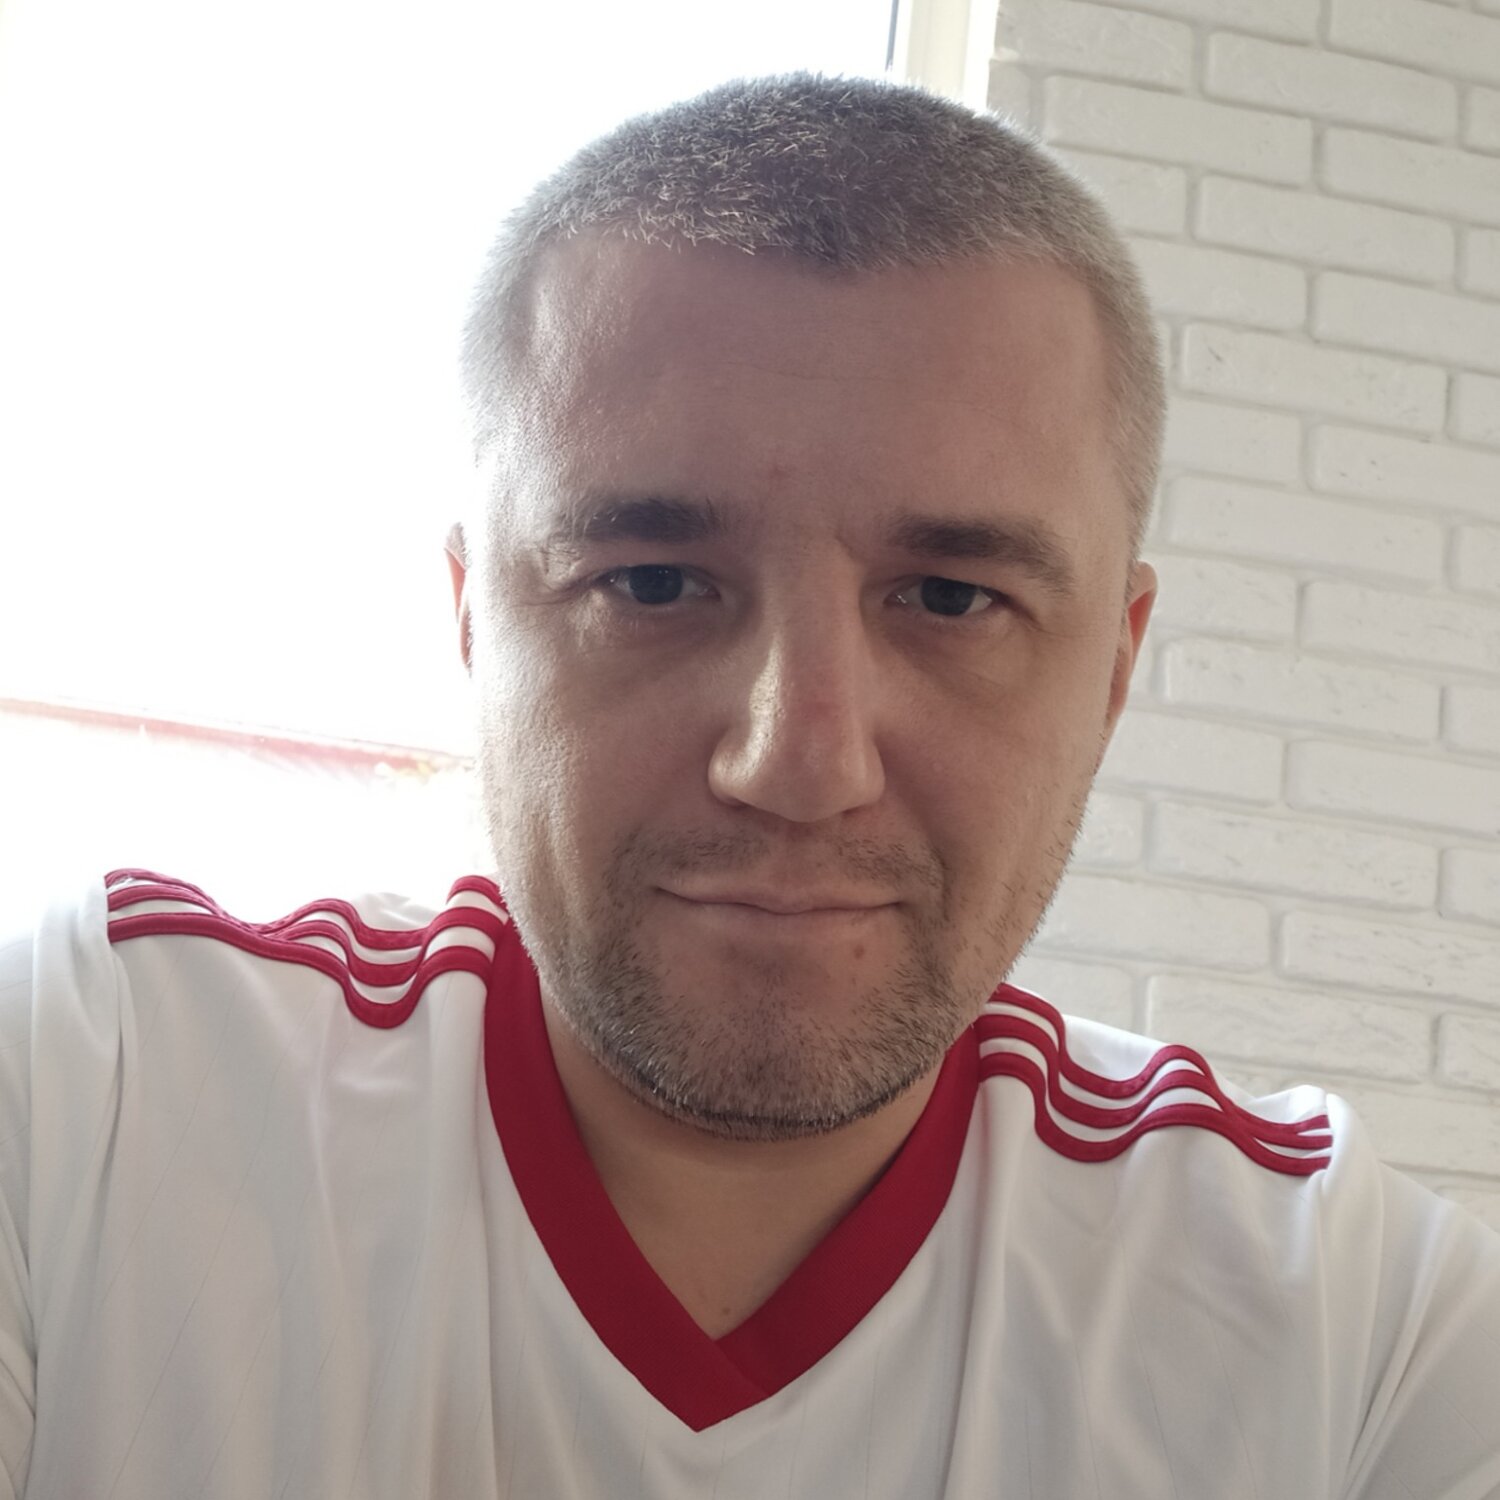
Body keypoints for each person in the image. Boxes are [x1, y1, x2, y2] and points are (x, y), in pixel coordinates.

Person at [2, 73, 1497, 1500]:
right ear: (473, 624)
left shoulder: (1356, 1324)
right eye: (651, 581)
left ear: (1113, 667)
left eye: (953, 599)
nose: (801, 764)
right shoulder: (94, 1093)